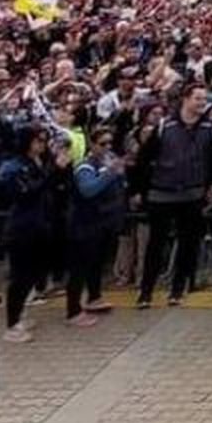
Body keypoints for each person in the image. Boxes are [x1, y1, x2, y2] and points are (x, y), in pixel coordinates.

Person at [136, 83, 212, 309]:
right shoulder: (165, 126)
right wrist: (139, 191)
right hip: (161, 193)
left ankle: (177, 290)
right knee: (156, 244)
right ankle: (146, 291)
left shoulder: (210, 127)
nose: (202, 103)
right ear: (185, 99)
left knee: (188, 244)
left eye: (204, 99)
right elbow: (144, 159)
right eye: (198, 98)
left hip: (192, 194)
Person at [0, 125, 67, 342]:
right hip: (22, 227)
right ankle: (12, 322)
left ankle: (20, 314)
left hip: (42, 224)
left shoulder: (38, 162)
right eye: (38, 141)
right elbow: (26, 192)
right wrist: (53, 170)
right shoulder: (14, 166)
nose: (41, 145)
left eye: (44, 141)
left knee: (35, 273)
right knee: (20, 276)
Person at [66, 126, 124, 327]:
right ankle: (73, 310)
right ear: (92, 144)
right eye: (102, 144)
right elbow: (88, 190)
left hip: (103, 222)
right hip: (85, 223)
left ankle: (94, 296)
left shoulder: (108, 162)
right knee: (80, 268)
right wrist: (110, 173)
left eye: (110, 143)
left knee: (96, 263)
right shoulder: (86, 166)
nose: (107, 148)